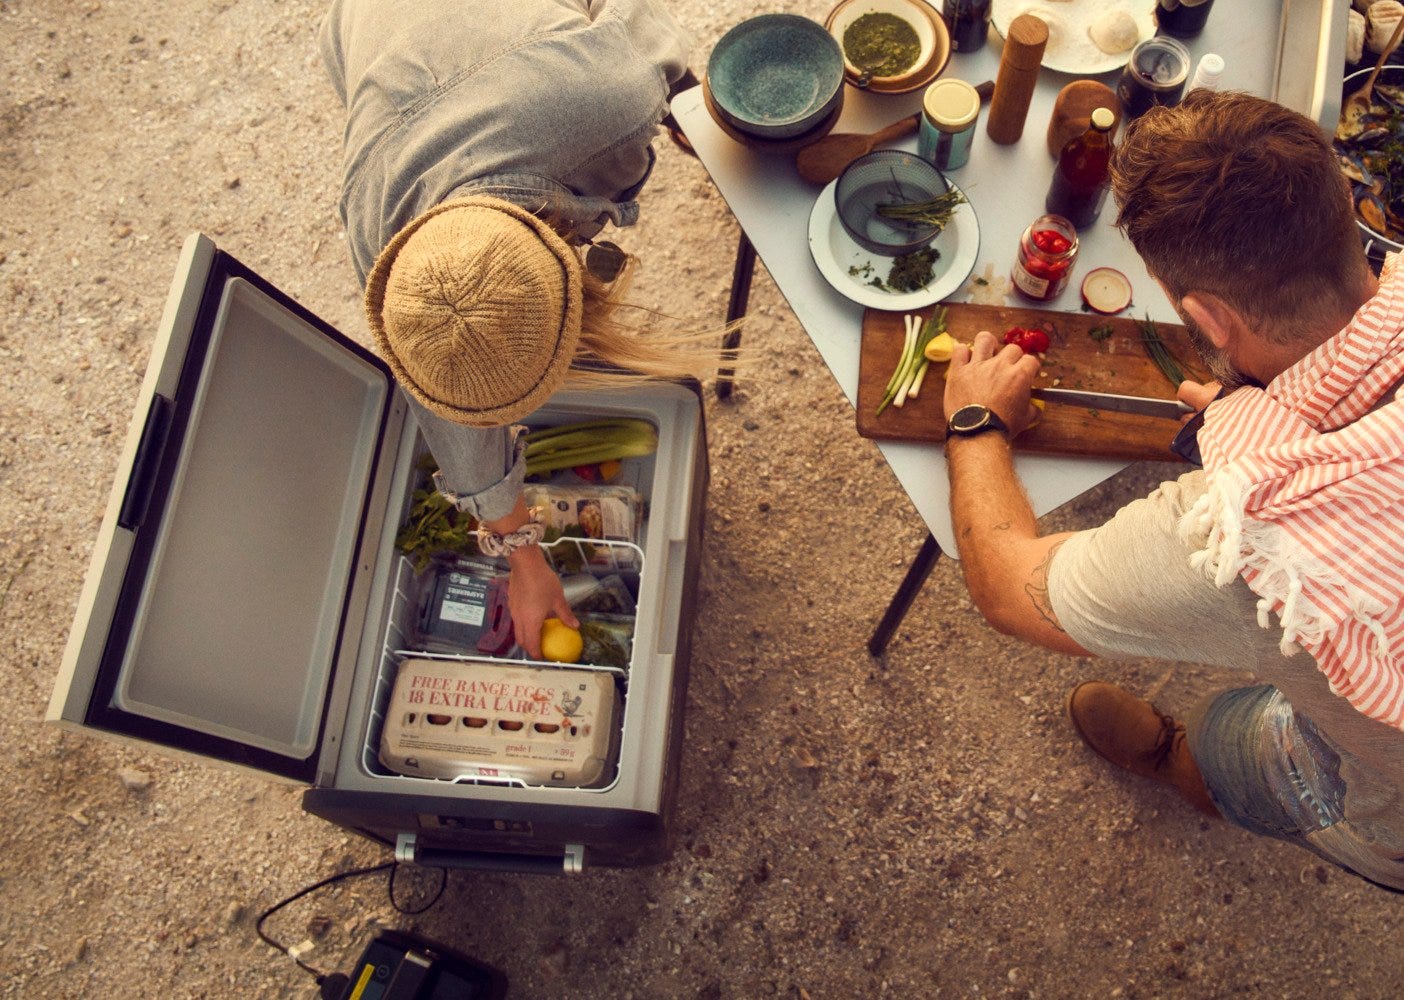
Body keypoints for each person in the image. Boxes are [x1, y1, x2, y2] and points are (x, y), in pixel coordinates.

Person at [940, 90, 1404, 890]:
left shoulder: (1248, 536)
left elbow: (1010, 590)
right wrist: (1260, 414)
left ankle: (1184, 765)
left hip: (1391, 789)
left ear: (1207, 320)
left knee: (1238, 741)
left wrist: (976, 420)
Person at [319, 0, 721, 658]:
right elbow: (448, 423)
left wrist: (674, 96)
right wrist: (524, 564)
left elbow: (645, 31)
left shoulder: (609, 95)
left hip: (531, 74)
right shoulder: (377, 233)